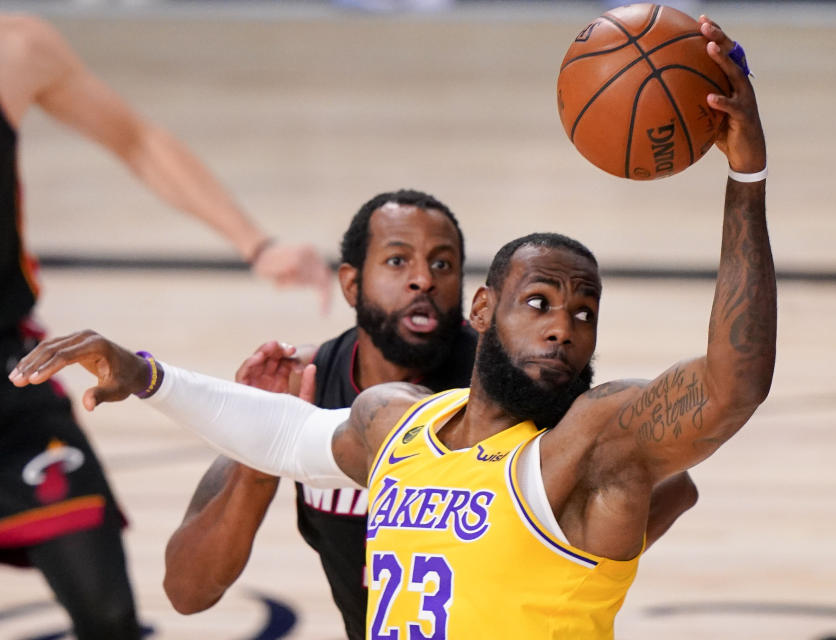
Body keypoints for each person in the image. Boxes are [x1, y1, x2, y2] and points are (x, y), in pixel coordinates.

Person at [10, 16, 772, 638]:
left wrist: (746, 181)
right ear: (484, 309)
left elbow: (730, 388)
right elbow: (277, 433)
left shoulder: (586, 445)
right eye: (540, 302)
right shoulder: (396, 423)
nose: (565, 328)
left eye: (584, 313)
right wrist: (144, 374)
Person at [162, 189, 698, 640]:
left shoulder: (511, 378)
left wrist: (537, 552)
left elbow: (676, 481)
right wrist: (261, 456)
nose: (424, 280)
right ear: (351, 283)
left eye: (442, 264)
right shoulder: (309, 381)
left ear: (474, 297)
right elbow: (188, 592)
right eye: (399, 261)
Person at [0, 13, 330, 639]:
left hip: (10, 374)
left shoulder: (15, 49)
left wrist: (256, 244)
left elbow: (136, 139)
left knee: (108, 614)